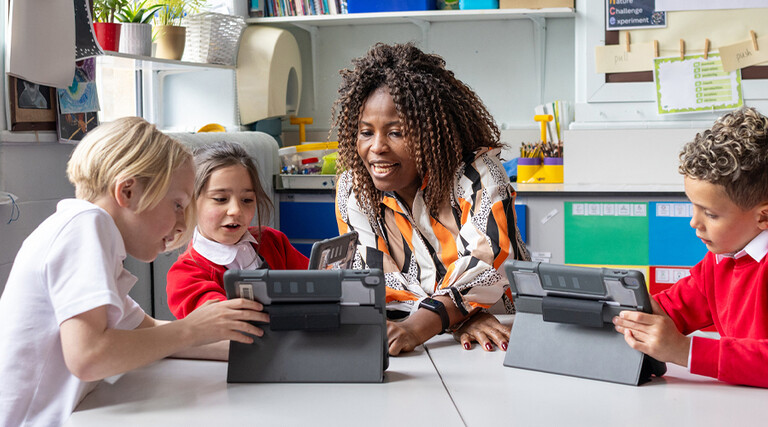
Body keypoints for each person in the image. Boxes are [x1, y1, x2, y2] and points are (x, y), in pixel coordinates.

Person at [0, 117, 267, 426]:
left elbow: (147, 332)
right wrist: (191, 329)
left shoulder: (97, 244)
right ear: (127, 192)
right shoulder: (84, 225)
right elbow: (89, 356)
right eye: (178, 205)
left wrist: (256, 347)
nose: (183, 224)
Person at [332, 43, 530, 356]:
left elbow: (488, 263)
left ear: (429, 132)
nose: (377, 147)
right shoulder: (354, 189)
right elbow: (378, 285)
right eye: (366, 132)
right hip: (431, 342)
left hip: (499, 336)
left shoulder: (477, 176)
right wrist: (456, 318)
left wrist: (423, 324)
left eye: (396, 133)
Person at [613, 107, 768, 388]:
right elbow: (673, 309)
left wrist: (685, 351)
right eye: (693, 206)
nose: (693, 222)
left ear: (763, 217)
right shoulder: (721, 259)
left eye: (710, 214)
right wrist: (624, 311)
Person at [167, 141, 308, 319]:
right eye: (220, 199)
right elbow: (229, 325)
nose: (236, 210)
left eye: (247, 200)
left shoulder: (273, 241)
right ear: (191, 202)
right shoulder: (186, 276)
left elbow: (318, 282)